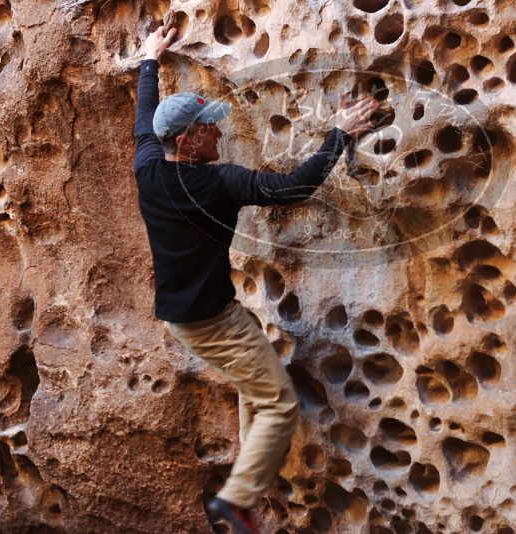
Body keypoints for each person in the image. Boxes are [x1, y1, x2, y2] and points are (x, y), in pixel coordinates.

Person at [133, 25, 379, 534]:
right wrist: (339, 133)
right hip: (212, 322)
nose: (218, 134)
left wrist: (150, 59)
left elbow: (143, 119)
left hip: (191, 317)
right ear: (188, 141)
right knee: (279, 404)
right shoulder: (219, 183)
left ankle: (253, 467)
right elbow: (293, 188)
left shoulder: (148, 167)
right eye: (210, 128)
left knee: (255, 380)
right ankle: (237, 500)